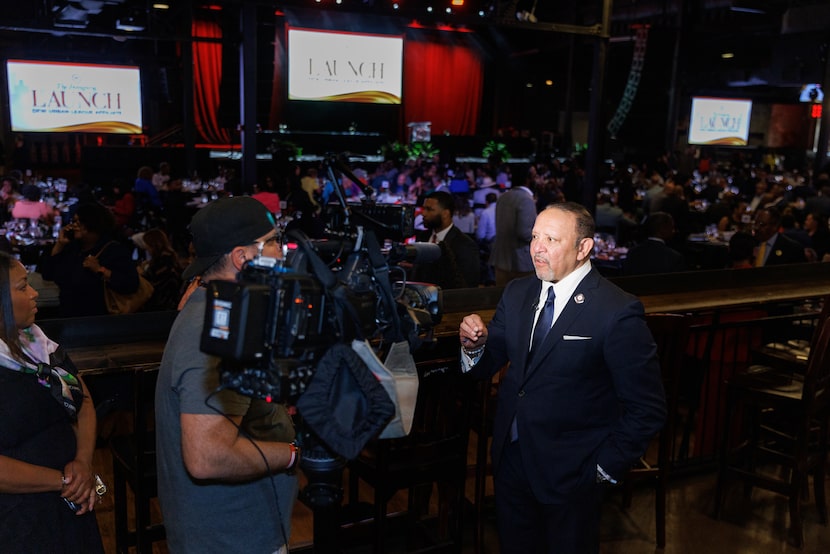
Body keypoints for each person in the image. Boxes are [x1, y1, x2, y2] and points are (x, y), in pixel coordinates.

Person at [458, 202, 666, 553]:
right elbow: (489, 361)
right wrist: (474, 346)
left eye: (551, 240)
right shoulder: (518, 292)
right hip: (511, 460)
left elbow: (647, 407)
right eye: (534, 237)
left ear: (583, 248)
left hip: (573, 472)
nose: (537, 248)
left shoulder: (616, 311)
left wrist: (602, 469)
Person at [155, 196, 298, 553]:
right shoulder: (220, 331)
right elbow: (208, 456)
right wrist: (295, 454)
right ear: (242, 257)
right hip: (232, 538)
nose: (282, 251)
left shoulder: (215, 303)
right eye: (274, 241)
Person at [0, 252, 104, 552]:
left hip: (71, 500)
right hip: (18, 520)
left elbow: (83, 401)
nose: (34, 293)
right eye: (23, 287)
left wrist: (83, 462)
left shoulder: (37, 343)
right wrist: (63, 481)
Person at [40, 202, 139, 317]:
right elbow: (47, 274)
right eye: (74, 221)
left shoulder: (113, 251)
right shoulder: (72, 248)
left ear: (93, 224)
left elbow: (131, 284)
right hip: (68, 316)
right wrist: (60, 244)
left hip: (99, 318)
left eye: (79, 222)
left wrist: (100, 270)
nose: (74, 226)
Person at [411, 190, 480, 289]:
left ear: (445, 214)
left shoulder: (465, 245)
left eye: (429, 209)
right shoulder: (422, 237)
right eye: (423, 208)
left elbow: (468, 286)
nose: (423, 213)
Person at [489, 166, 537, 286]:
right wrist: (541, 237)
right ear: (527, 179)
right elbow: (524, 233)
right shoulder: (526, 199)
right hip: (520, 263)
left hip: (501, 259)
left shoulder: (503, 197)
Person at [622, 212, 686, 276]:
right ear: (663, 229)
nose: (674, 231)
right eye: (672, 227)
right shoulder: (674, 257)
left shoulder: (632, 252)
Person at [137, 228, 184, 311]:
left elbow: (152, 282)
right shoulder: (170, 258)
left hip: (162, 305)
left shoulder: (163, 262)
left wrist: (140, 272)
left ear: (153, 245)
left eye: (147, 245)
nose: (146, 248)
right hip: (169, 303)